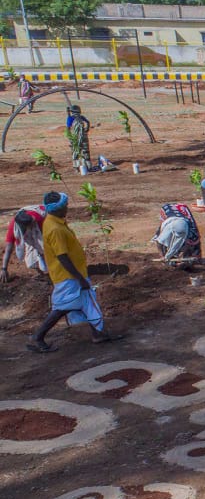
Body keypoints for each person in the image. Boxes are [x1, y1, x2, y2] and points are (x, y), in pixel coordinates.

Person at [27, 192, 121, 352]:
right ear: (57, 209)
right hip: (68, 277)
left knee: (88, 302)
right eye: (65, 207)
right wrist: (79, 278)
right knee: (62, 307)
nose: (67, 209)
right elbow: (62, 256)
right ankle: (38, 337)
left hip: (70, 275)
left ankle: (98, 333)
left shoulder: (54, 222)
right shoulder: (55, 228)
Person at [2, 204, 47, 282]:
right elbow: (9, 248)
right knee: (31, 260)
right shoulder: (14, 228)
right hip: (29, 233)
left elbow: (43, 239)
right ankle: (42, 274)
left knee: (46, 249)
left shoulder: (38, 219)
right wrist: (4, 269)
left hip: (41, 228)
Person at [67, 105, 92, 173]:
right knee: (86, 151)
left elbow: (68, 128)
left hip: (75, 137)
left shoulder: (70, 118)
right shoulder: (81, 117)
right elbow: (88, 122)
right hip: (84, 137)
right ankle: (89, 167)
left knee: (75, 152)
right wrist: (87, 129)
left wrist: (70, 138)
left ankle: (76, 167)